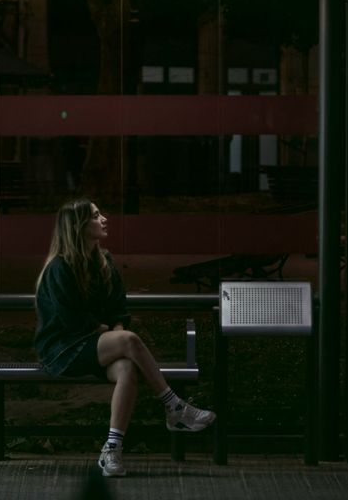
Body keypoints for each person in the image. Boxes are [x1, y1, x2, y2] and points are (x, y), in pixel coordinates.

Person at [34, 198, 215, 478]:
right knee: (129, 341)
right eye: (96, 215)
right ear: (79, 226)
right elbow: (71, 320)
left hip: (97, 344)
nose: (104, 218)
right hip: (63, 348)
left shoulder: (104, 261)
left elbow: (118, 305)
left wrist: (116, 327)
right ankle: (174, 407)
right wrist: (113, 335)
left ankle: (112, 450)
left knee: (128, 368)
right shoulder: (60, 267)